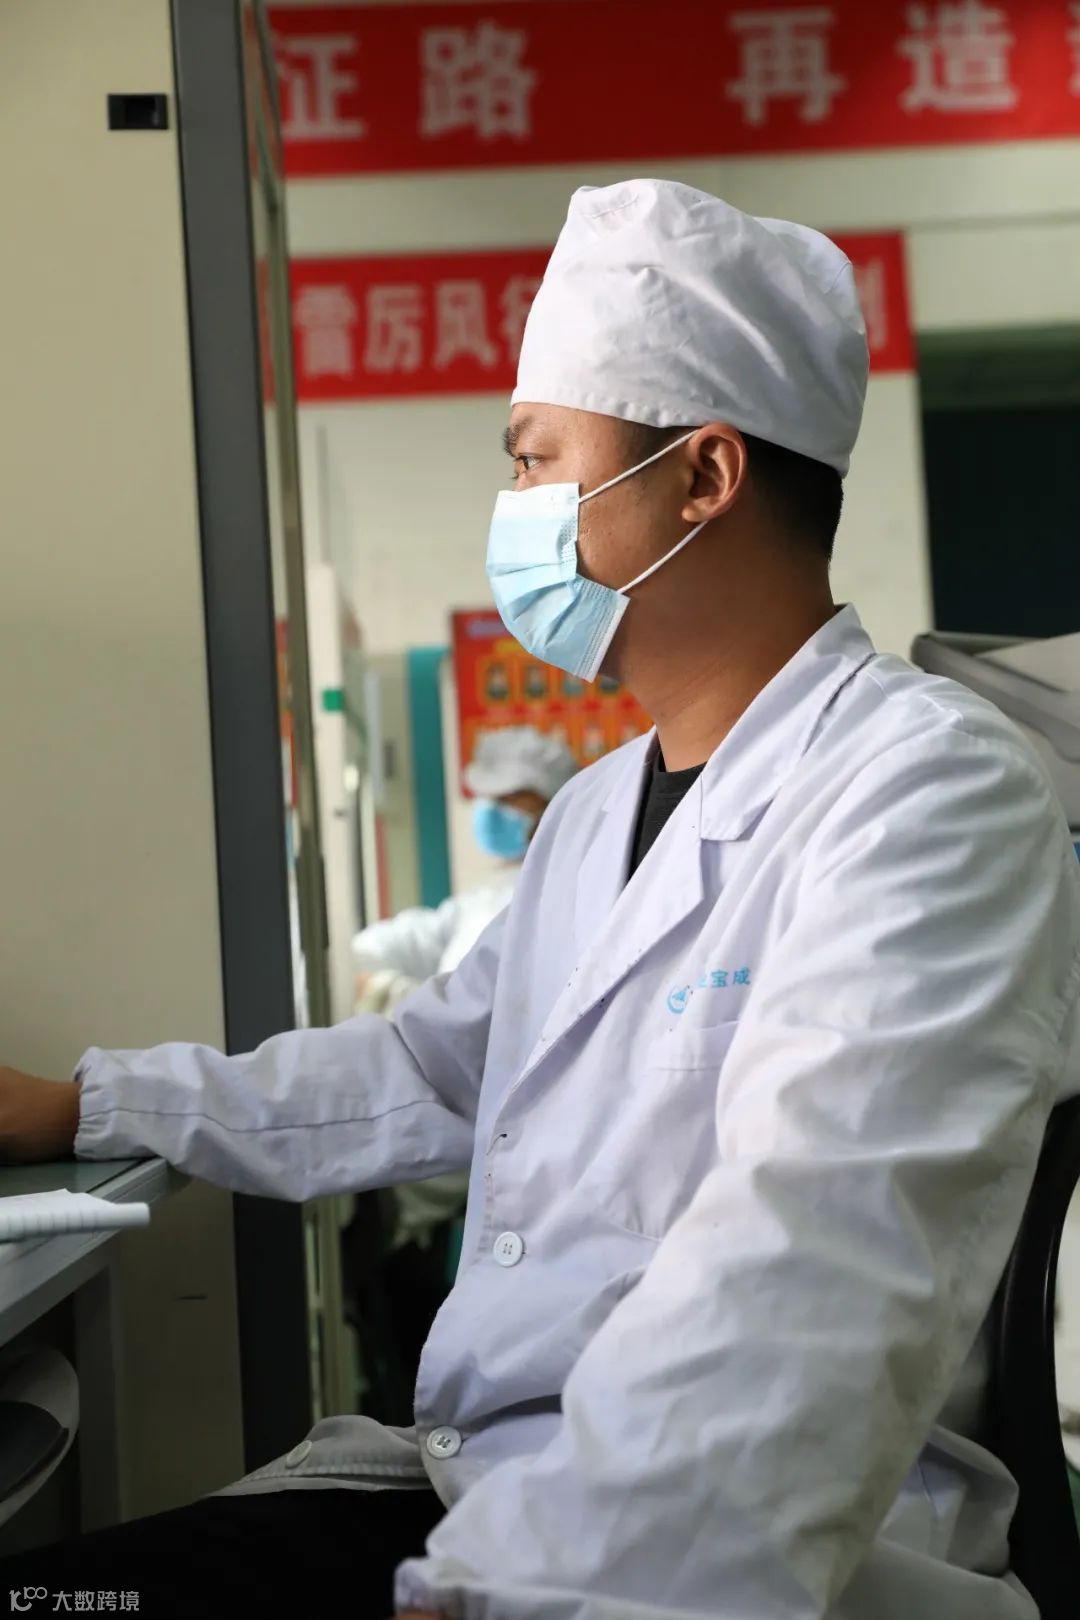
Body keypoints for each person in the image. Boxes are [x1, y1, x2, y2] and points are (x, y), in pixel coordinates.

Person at [2, 178, 1079, 1620]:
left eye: (534, 459)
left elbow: (816, 1262)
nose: (513, 513)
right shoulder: (592, 814)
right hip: (496, 1485)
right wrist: (87, 1106)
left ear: (703, 478)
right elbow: (426, 1066)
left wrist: (533, 1589)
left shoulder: (929, 788)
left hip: (707, 1548)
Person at [352, 725, 578, 1015]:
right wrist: (352, 959)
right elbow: (426, 937)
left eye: (507, 799)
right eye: (486, 797)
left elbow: (478, 1017)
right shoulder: (489, 893)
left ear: (551, 805)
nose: (490, 810)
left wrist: (387, 994)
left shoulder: (553, 897)